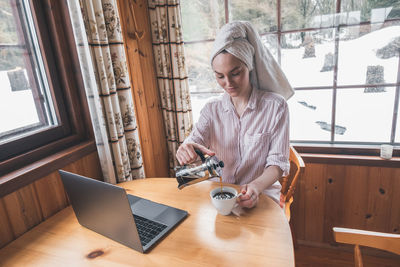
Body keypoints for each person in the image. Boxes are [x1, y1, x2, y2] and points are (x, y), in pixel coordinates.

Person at [176, 21, 294, 208]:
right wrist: (186, 148)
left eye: (235, 73)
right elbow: (195, 140)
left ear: (249, 66)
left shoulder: (275, 107)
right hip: (218, 195)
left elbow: (278, 163)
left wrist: (256, 185)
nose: (228, 83)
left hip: (260, 195)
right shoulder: (211, 110)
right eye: (220, 76)